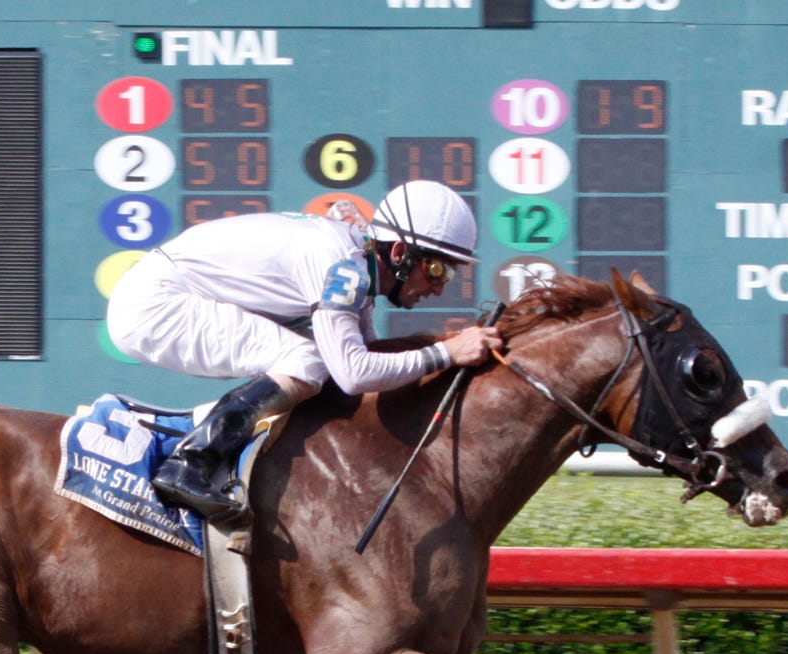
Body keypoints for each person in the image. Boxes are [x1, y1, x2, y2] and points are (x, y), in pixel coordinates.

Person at [106, 179, 505, 521]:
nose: (439, 286)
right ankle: (191, 462)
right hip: (155, 304)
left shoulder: (355, 265)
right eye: (437, 269)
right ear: (400, 253)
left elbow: (364, 359)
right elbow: (354, 374)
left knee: (315, 362)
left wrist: (443, 347)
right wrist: (448, 354)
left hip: (164, 293)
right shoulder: (343, 267)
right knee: (306, 360)